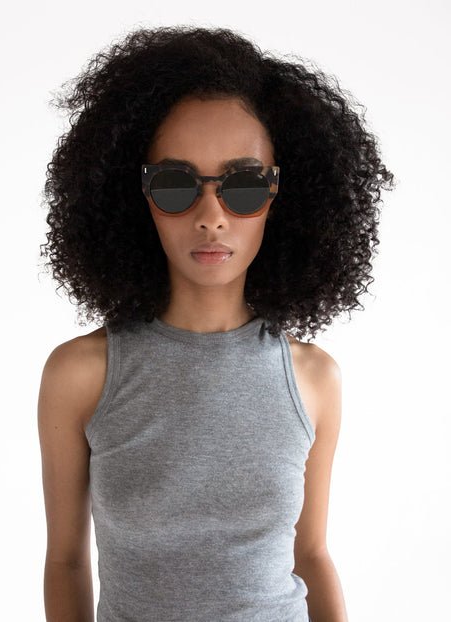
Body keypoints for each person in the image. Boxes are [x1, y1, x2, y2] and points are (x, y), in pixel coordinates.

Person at [37, 25, 395, 622]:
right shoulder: (81, 374)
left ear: (282, 196)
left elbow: (311, 554)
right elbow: (66, 562)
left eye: (244, 185)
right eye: (176, 184)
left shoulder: (314, 379)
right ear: (137, 195)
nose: (211, 216)